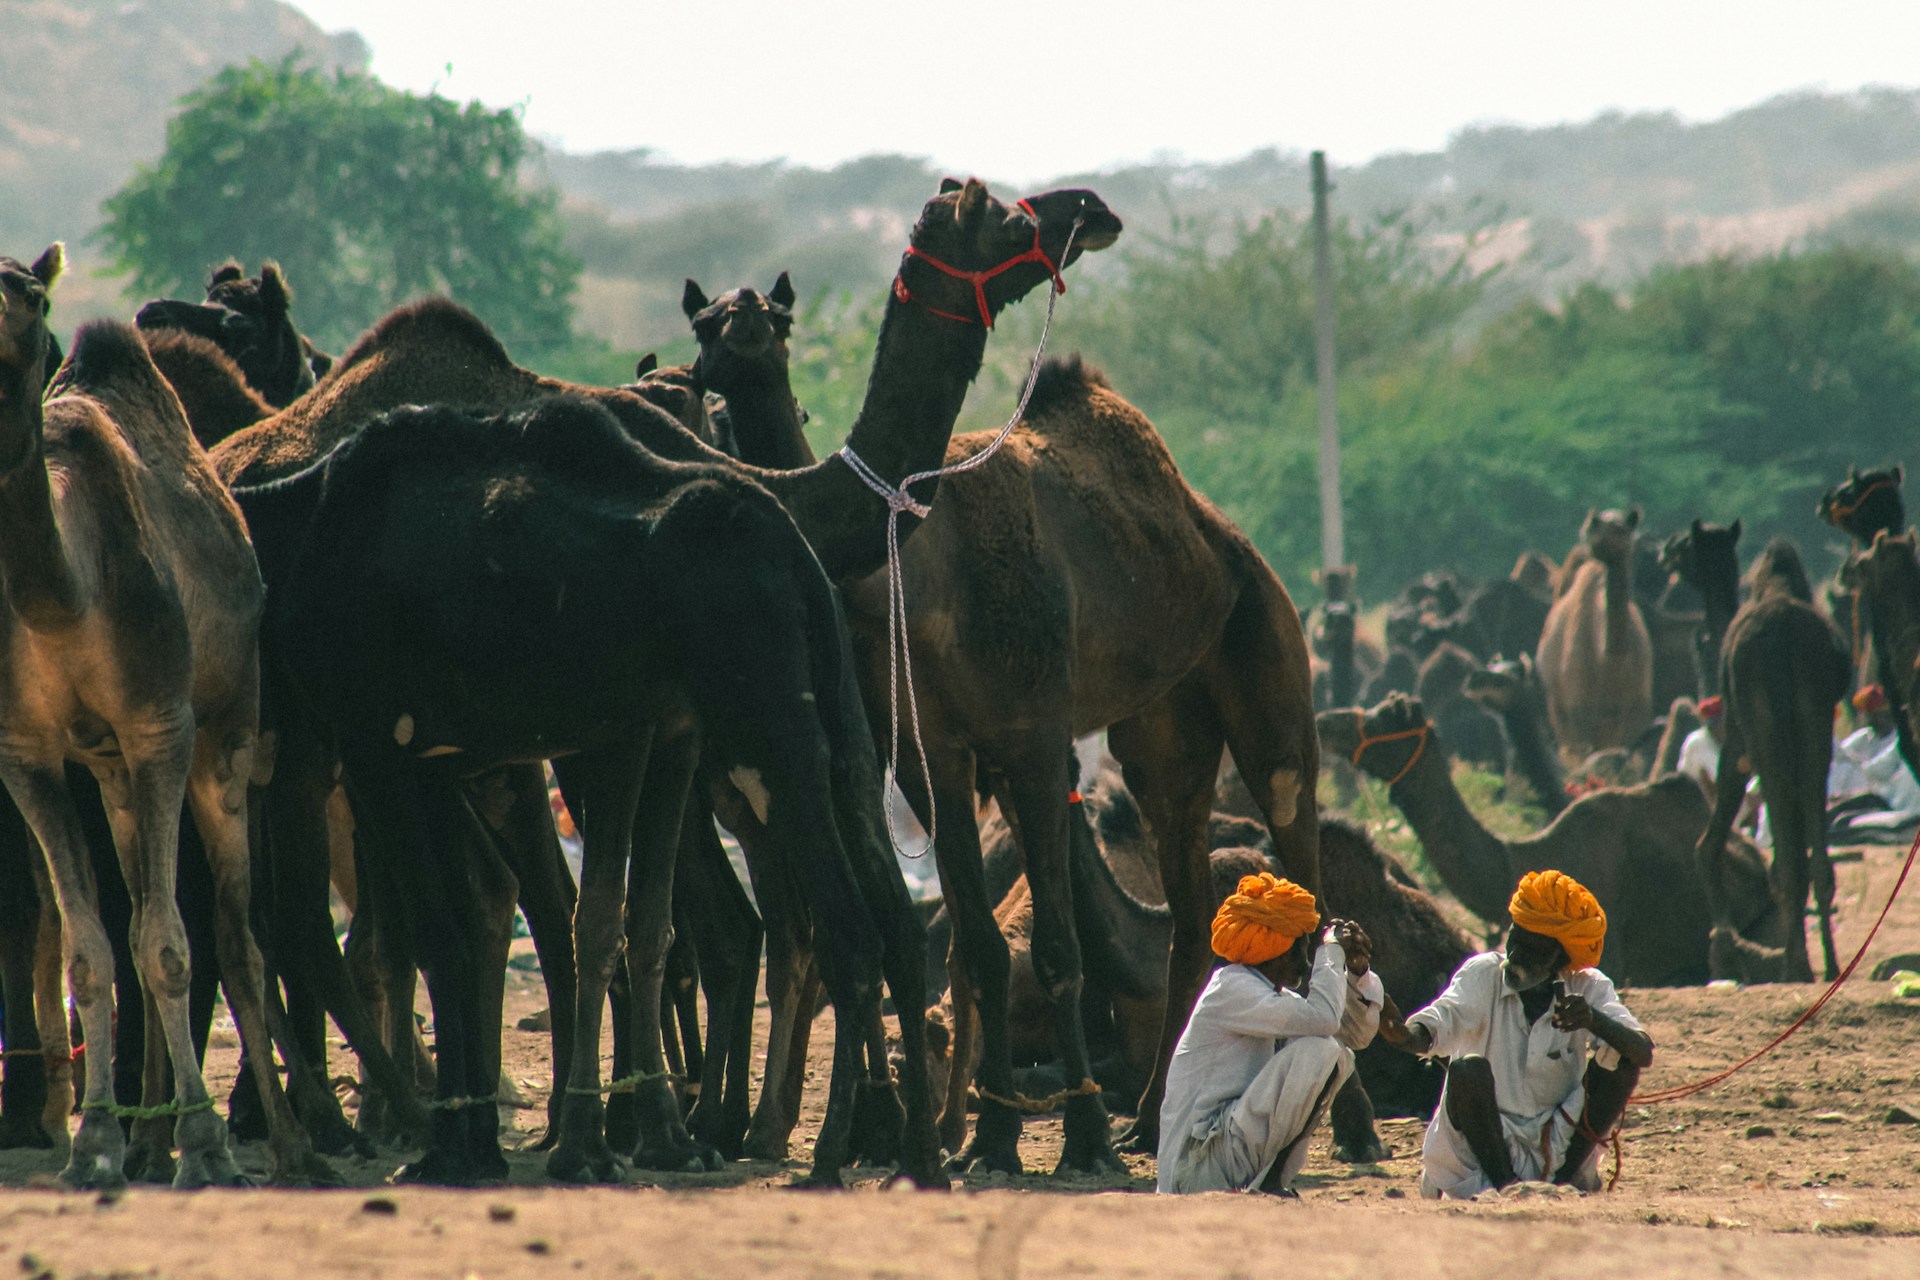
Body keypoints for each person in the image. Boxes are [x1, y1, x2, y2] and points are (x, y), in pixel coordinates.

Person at [1376, 869, 1653, 1198]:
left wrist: (1593, 1020)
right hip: (1482, 1147)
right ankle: (1506, 1187)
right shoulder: (1484, 974)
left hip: (1558, 1140)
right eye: (1515, 939)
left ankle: (1559, 1186)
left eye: (1532, 949)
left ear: (1560, 958)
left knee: (1620, 1061)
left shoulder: (1587, 987)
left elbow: (1642, 1052)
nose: (1516, 955)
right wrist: (1403, 1035)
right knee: (1466, 1069)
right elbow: (1441, 1020)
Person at [1156, 872, 1381, 1195]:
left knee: (1335, 1051)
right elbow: (1325, 1019)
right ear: (1276, 950)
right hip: (1195, 1168)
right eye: (1299, 950)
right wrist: (1331, 951)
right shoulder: (1233, 989)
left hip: (1221, 1155)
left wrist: (1357, 972)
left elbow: (1355, 1036)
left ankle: (1270, 1181)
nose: (1304, 964)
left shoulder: (1268, 998)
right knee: (1321, 1050)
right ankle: (1271, 1184)